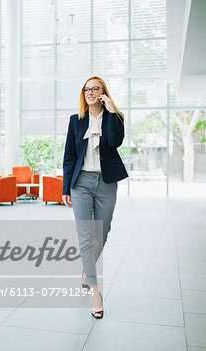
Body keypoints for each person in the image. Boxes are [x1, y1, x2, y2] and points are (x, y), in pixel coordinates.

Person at [62, 76, 128, 319]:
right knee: (86, 237)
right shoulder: (76, 121)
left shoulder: (115, 117)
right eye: (86, 89)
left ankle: (85, 272)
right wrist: (65, 187)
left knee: (103, 230)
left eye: (95, 88)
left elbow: (114, 141)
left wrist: (111, 111)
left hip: (106, 182)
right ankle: (95, 291)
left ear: (102, 92)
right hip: (81, 182)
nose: (90, 92)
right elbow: (69, 156)